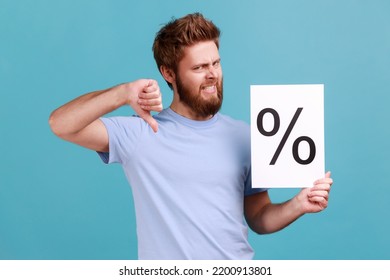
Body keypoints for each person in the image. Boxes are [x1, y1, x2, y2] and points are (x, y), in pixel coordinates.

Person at [49, 13, 333, 260]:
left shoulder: (246, 136)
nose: (212, 75)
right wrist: (122, 93)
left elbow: (259, 217)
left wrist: (299, 204)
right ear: (168, 73)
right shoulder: (140, 133)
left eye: (216, 64)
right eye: (199, 68)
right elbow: (62, 124)